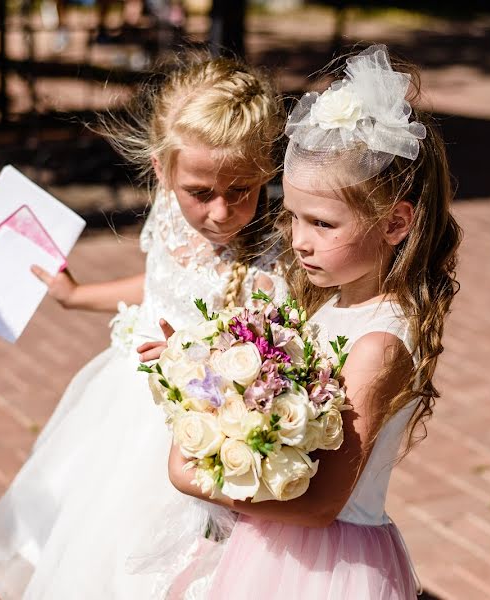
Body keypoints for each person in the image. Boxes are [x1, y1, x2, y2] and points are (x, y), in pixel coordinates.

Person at [0, 54, 288, 599]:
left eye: (242, 190)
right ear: (162, 170)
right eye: (200, 193)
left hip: (194, 424)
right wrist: (78, 296)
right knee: (101, 538)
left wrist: (200, 358)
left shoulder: (269, 258)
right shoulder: (167, 211)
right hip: (126, 402)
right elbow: (162, 283)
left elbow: (268, 359)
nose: (221, 212)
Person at [165, 44, 462, 598]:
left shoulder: (377, 345)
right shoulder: (330, 304)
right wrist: (204, 376)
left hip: (324, 565)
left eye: (323, 224)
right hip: (273, 542)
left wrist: (200, 479)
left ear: (396, 222)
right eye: (293, 216)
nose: (299, 241)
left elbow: (323, 503)